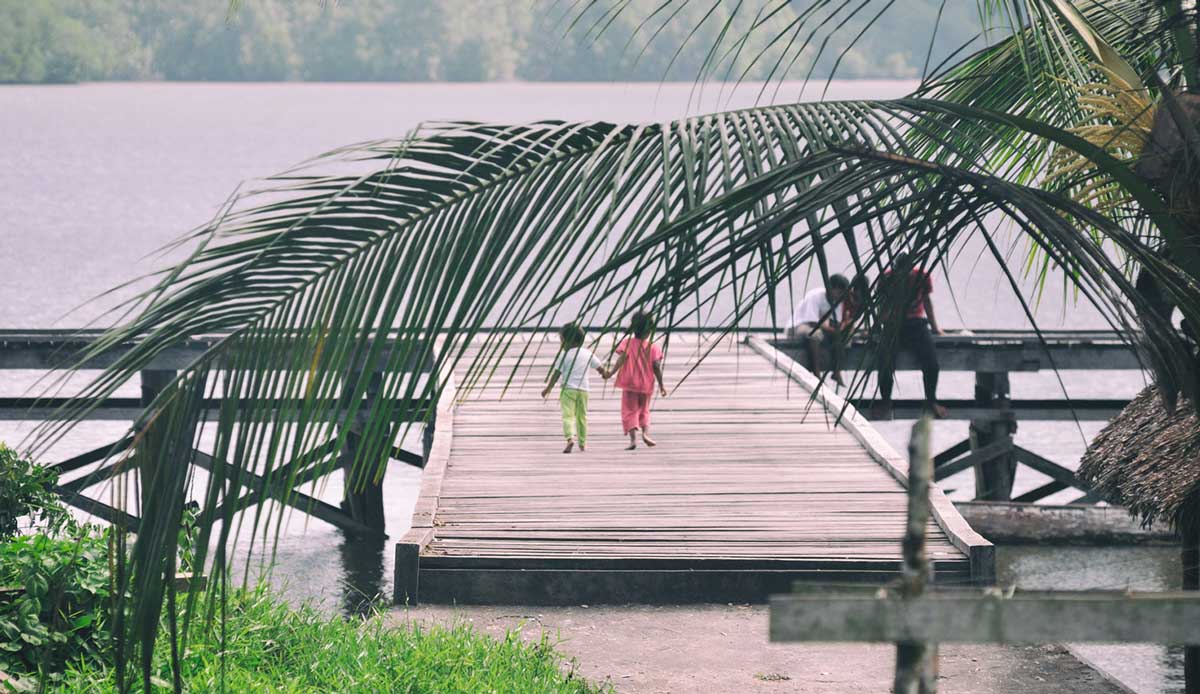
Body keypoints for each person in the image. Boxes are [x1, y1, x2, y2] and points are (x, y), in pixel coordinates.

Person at [874, 253, 947, 419]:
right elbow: (881, 305)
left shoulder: (921, 276)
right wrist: (879, 324)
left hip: (916, 324)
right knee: (885, 363)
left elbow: (927, 301)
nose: (902, 275)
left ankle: (931, 401)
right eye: (899, 271)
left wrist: (935, 328)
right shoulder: (887, 278)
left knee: (932, 364)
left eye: (905, 271)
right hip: (893, 326)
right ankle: (886, 401)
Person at [541, 323, 608, 453]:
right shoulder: (588, 353)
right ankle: (582, 444)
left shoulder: (564, 355)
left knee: (568, 416)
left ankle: (570, 439)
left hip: (568, 390)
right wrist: (606, 374)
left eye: (562, 341)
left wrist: (548, 388)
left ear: (567, 341)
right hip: (584, 390)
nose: (561, 344)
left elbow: (556, 374)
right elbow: (600, 369)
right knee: (582, 417)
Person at [607, 311, 667, 450]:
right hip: (646, 385)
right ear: (650, 329)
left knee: (629, 410)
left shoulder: (627, 343)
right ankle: (646, 434)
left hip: (629, 383)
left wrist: (611, 373)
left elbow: (620, 359)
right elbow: (656, 366)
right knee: (644, 410)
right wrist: (662, 385)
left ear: (633, 328)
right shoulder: (654, 347)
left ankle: (633, 440)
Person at [788, 274, 850, 385]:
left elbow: (835, 322)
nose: (841, 296)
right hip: (799, 326)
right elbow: (813, 322)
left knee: (840, 337)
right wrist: (832, 329)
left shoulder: (838, 301)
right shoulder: (815, 296)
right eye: (839, 292)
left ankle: (836, 371)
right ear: (830, 288)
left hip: (820, 327)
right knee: (815, 334)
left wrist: (841, 328)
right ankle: (817, 375)